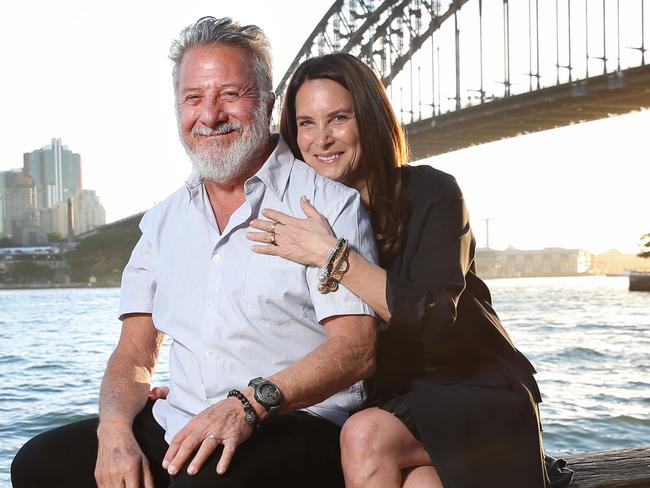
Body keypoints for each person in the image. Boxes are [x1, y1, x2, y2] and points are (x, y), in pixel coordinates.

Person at [11, 18, 378, 488]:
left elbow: (356, 350)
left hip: (295, 423)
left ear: (267, 102)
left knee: (199, 481)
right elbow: (135, 352)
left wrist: (248, 403)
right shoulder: (163, 222)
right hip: (182, 422)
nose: (209, 115)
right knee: (39, 463)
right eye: (193, 98)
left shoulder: (327, 204)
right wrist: (115, 430)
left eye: (230, 94)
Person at [245, 52, 550, 488]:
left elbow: (434, 319)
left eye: (338, 118)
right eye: (306, 123)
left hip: (470, 388)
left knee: (365, 436)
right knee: (420, 482)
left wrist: (333, 256)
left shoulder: (433, 192)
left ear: (368, 119)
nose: (321, 139)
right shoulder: (302, 215)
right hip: (388, 402)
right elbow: (275, 321)